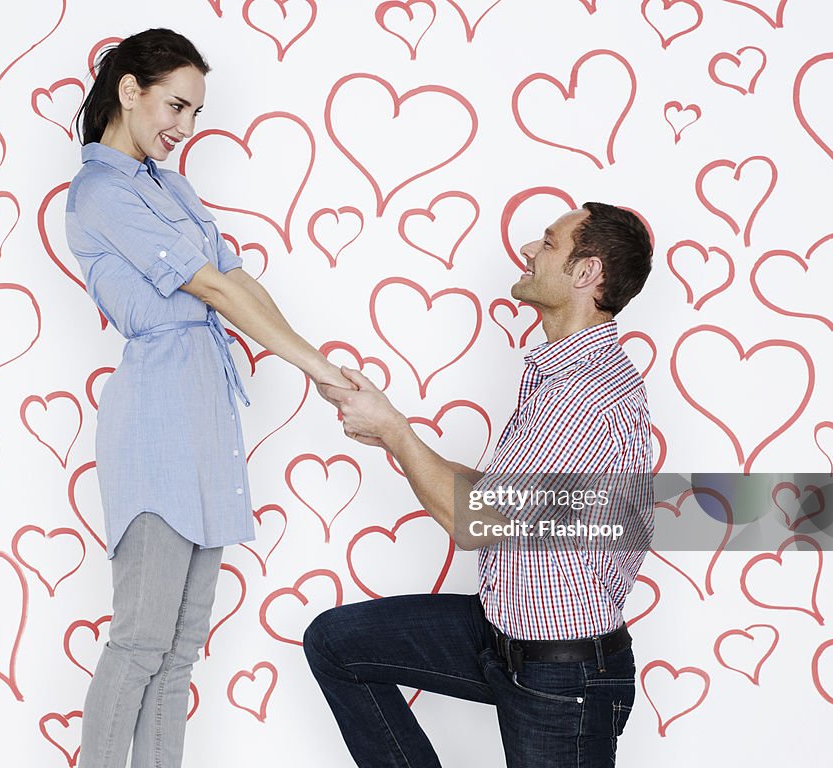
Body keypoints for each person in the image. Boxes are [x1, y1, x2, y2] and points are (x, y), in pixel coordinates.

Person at [65, 28, 348, 768]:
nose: (184, 128)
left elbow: (239, 280)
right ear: (130, 90)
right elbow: (212, 288)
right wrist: (314, 367)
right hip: (157, 422)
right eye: (175, 106)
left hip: (205, 422)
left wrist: (317, 358)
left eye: (195, 113)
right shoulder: (99, 191)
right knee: (140, 640)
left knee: (182, 647)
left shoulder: (170, 187)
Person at [308, 203, 654, 768]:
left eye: (548, 243)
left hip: (561, 677)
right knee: (336, 643)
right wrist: (393, 425)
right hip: (499, 634)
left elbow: (476, 523)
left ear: (586, 273)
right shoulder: (556, 374)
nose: (528, 250)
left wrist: (394, 432)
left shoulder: (587, 393)